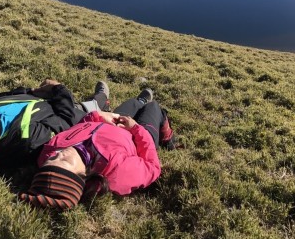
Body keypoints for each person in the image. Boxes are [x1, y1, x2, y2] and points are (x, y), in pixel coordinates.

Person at [18, 87, 176, 210]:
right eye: (64, 160)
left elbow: (80, 127)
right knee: (154, 107)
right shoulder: (116, 174)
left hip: (113, 122)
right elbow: (152, 167)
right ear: (82, 175)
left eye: (52, 159)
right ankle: (168, 138)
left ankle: (140, 102)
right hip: (139, 137)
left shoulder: (49, 152)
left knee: (133, 103)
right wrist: (136, 128)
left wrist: (96, 117)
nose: (59, 154)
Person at [0, 79, 111, 175]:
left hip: (41, 98)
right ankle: (102, 99)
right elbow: (66, 119)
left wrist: (32, 91)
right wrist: (59, 89)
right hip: (73, 112)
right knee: (92, 106)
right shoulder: (28, 141)